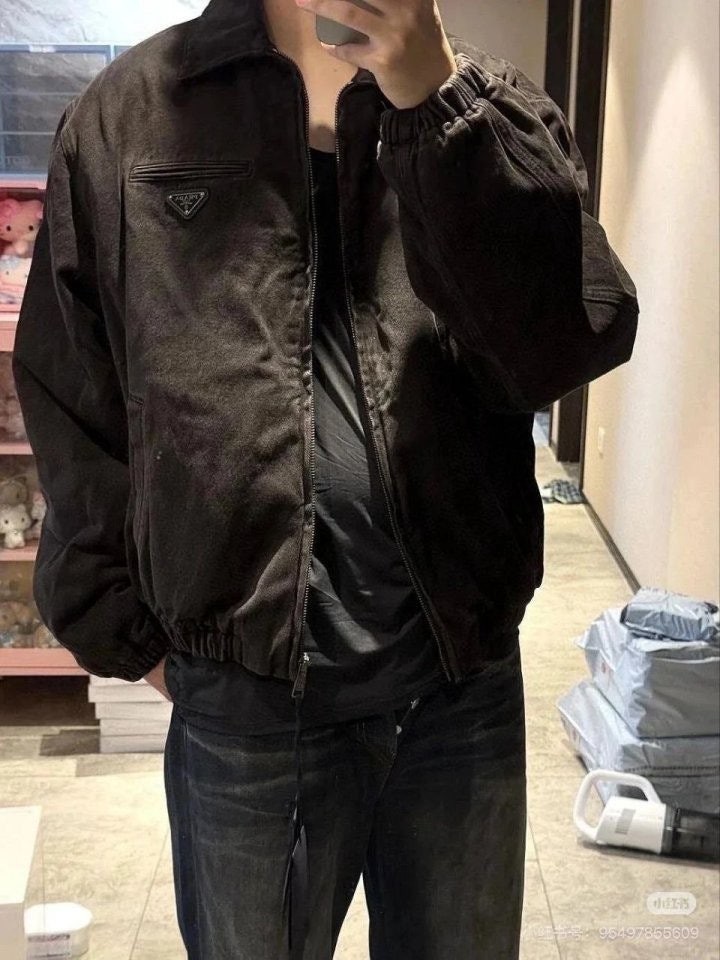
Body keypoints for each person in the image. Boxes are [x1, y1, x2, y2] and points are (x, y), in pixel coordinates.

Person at [12, 0, 639, 957]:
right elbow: (73, 388)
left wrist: (438, 106)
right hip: (247, 699)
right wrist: (129, 628)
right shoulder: (129, 116)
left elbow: (566, 342)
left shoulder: (491, 110)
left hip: (458, 692)